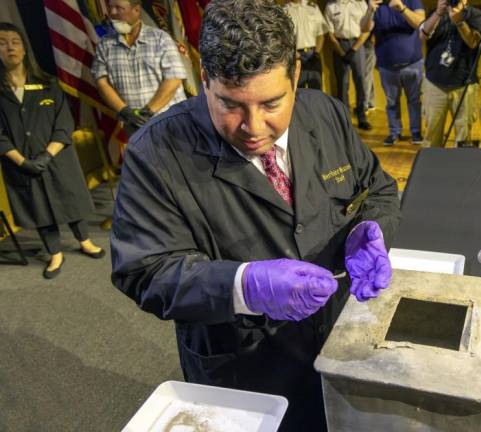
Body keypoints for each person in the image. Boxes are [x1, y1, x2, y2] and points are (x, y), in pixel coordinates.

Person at [110, 0, 401, 430]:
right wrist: (242, 285)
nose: (254, 127)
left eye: (271, 104)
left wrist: (371, 231)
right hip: (245, 371)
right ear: (204, 79)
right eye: (231, 105)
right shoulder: (154, 153)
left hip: (340, 346)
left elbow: (378, 189)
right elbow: (144, 271)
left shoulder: (327, 113)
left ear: (296, 75)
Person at [0, 22, 104, 279]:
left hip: (56, 158)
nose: (10, 47)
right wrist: (22, 161)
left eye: (15, 41)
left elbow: (64, 123)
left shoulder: (48, 84)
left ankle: (84, 240)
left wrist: (48, 154)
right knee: (38, 206)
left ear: (24, 49)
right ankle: (54, 252)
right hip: (19, 162)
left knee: (68, 196)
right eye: (2, 42)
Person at [91, 0, 187, 137]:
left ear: (136, 10)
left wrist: (147, 113)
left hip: (172, 126)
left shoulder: (160, 39)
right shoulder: (105, 46)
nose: (112, 13)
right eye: (110, 7)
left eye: (119, 8)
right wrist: (125, 112)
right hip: (135, 130)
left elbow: (174, 80)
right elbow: (101, 82)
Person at [419, 0, 481, 148]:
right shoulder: (436, 13)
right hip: (434, 84)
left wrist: (460, 23)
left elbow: (473, 43)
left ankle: (460, 168)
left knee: (463, 137)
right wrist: (438, 13)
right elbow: (422, 35)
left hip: (464, 85)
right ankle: (432, 166)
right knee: (431, 135)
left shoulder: (475, 15)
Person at [360, 0, 425, 146]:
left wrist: (402, 8)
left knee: (414, 101)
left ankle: (416, 133)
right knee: (391, 102)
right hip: (387, 66)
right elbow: (364, 28)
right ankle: (394, 132)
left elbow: (421, 23)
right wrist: (370, 11)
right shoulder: (376, 4)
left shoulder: (412, 1)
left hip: (413, 63)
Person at [324, 0, 373, 130]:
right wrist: (341, 52)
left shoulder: (361, 3)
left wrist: (353, 50)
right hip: (339, 46)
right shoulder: (331, 6)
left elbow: (367, 30)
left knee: (361, 81)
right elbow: (330, 33)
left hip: (358, 44)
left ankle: (362, 116)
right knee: (342, 84)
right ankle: (345, 119)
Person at [283, 0, 329, 90]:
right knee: (298, 91)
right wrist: (293, 53)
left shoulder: (313, 8)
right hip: (295, 56)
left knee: (316, 90)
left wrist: (317, 53)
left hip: (313, 55)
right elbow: (283, 38)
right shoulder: (284, 11)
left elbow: (320, 34)